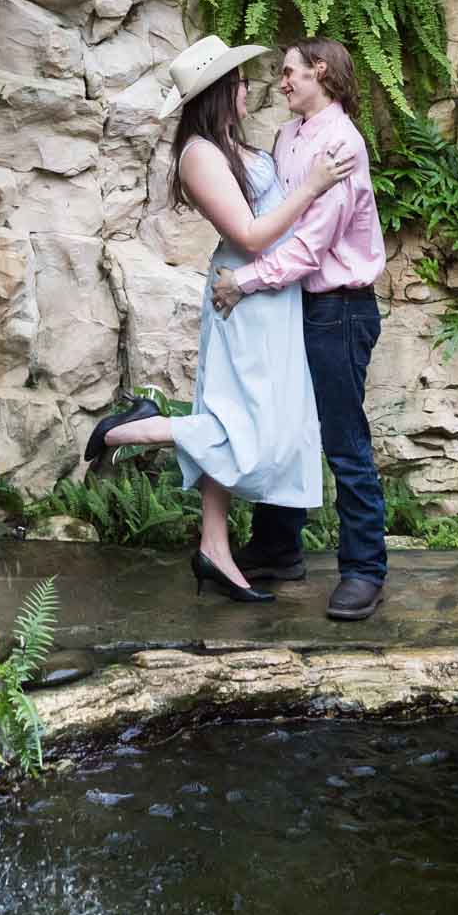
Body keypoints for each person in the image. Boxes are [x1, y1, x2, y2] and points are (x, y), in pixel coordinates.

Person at [83, 34, 354, 604]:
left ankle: (214, 548)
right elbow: (250, 235)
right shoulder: (199, 155)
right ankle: (127, 430)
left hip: (272, 297)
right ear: (217, 92)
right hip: (244, 296)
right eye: (237, 81)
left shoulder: (238, 145)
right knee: (242, 431)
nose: (249, 86)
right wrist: (312, 186)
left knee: (260, 422)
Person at [211, 37, 389, 622]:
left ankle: (365, 570)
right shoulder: (289, 136)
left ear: (320, 72)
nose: (281, 81)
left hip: (338, 308)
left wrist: (245, 281)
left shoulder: (341, 144)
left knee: (343, 439)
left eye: (288, 72)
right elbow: (274, 220)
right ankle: (278, 547)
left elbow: (312, 245)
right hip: (296, 304)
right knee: (284, 423)